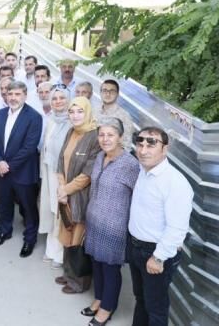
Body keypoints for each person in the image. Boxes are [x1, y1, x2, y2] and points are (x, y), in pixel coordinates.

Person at [127, 126, 193, 326]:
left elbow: (177, 228)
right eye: (140, 144)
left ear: (165, 149)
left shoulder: (175, 182)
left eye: (151, 144)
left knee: (156, 307)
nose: (143, 150)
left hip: (155, 253)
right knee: (141, 298)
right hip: (136, 246)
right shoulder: (143, 170)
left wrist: (158, 257)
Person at [81, 118, 140, 326]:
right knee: (96, 263)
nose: (105, 139)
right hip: (94, 220)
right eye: (102, 135)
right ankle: (99, 299)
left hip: (115, 226)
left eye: (110, 135)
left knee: (110, 268)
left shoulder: (130, 165)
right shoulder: (100, 156)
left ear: (120, 137)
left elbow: (139, 197)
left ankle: (107, 308)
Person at [0, 81, 43, 257]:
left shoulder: (34, 117)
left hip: (23, 172)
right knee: (4, 204)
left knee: (28, 208)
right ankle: (5, 231)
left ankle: (30, 239)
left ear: (25, 96)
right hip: (2, 171)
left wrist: (9, 165)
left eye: (17, 94)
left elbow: (29, 147)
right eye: (10, 94)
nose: (13, 98)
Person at [55, 97, 101, 294]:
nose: (75, 116)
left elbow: (88, 174)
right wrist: (61, 187)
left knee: (78, 238)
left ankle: (79, 282)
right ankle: (68, 274)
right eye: (72, 112)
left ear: (88, 112)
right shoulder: (71, 131)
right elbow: (60, 160)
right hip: (65, 194)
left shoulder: (95, 136)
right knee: (66, 234)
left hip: (81, 196)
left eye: (80, 111)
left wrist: (66, 190)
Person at [39, 87, 72, 268]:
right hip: (49, 172)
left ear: (69, 100)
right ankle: (51, 249)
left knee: (61, 213)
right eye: (54, 98)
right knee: (51, 211)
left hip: (64, 176)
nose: (58, 101)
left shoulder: (72, 122)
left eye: (62, 98)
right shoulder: (51, 120)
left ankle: (60, 254)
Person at [95, 79, 133, 150]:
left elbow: (126, 145)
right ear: (100, 93)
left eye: (112, 91)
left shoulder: (124, 116)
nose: (108, 94)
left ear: (117, 94)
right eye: (105, 90)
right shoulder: (94, 111)